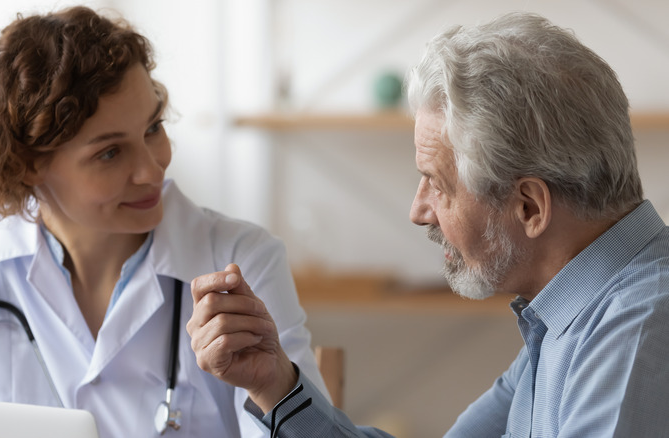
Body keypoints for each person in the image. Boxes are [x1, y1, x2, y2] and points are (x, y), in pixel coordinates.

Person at [186, 11, 669, 438]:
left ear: (529, 207)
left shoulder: (640, 332)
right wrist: (274, 384)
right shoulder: (571, 317)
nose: (418, 211)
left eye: (437, 184)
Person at [0, 6, 330, 438]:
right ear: (25, 165)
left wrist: (274, 389)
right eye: (110, 152)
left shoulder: (240, 259)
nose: (153, 169)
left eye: (153, 128)